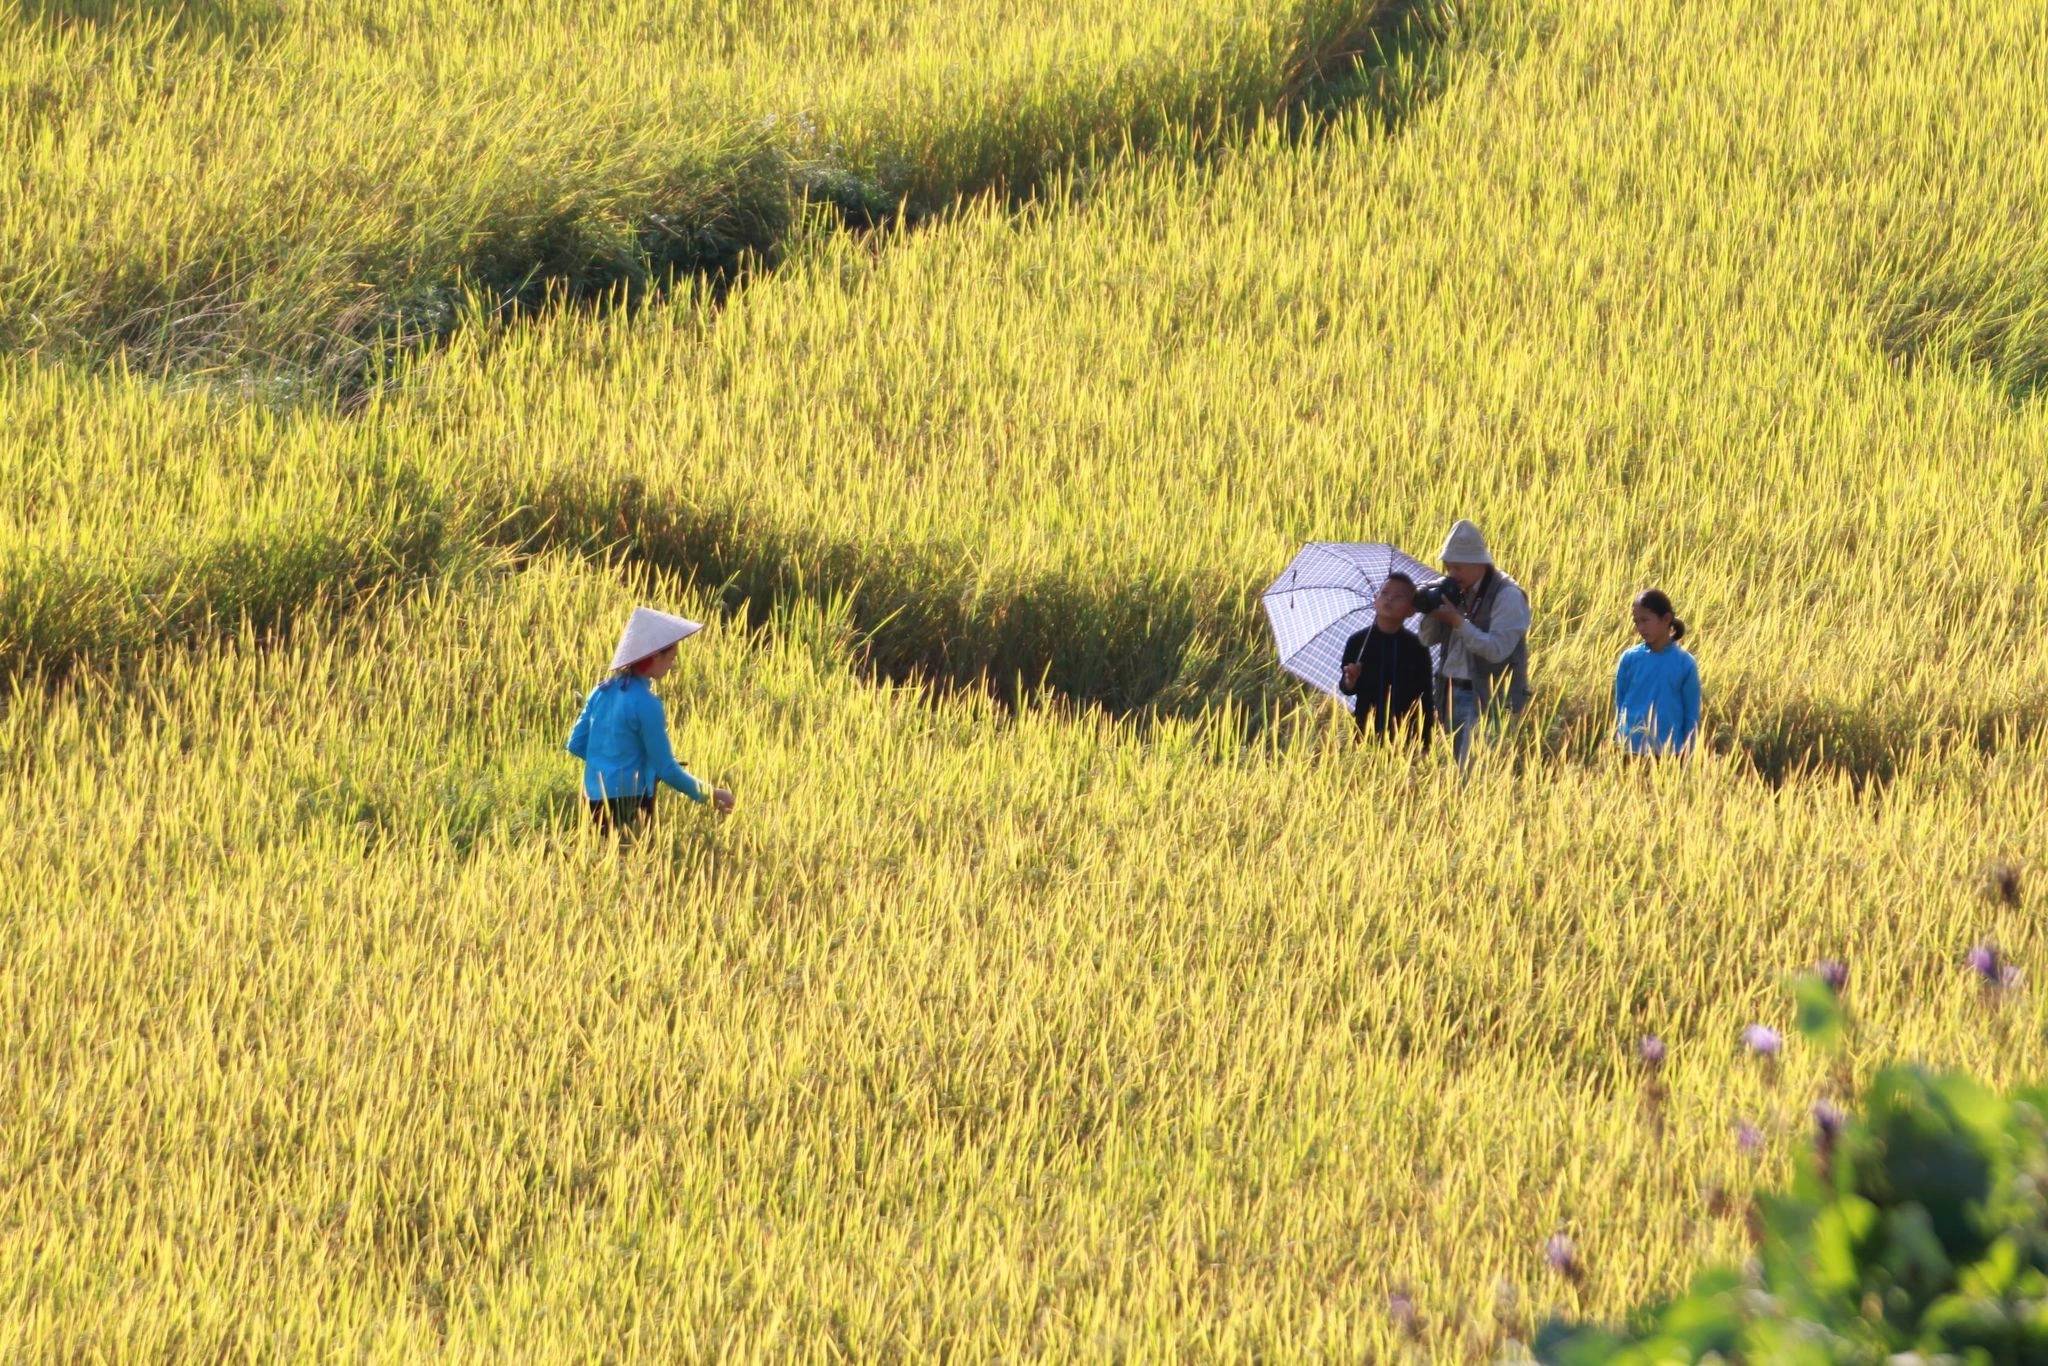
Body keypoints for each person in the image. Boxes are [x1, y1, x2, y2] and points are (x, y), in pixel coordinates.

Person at [567, 606, 736, 832]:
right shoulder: (647, 704)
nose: (672, 664)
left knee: (600, 860)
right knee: (635, 862)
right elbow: (667, 769)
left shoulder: (600, 692)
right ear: (656, 656)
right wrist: (711, 795)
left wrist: (610, 761)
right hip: (630, 802)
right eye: (671, 658)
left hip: (592, 800)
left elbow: (576, 744)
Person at [1416, 519, 1532, 764]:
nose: (1451, 574)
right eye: (1448, 568)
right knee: (1449, 771)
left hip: (1486, 698)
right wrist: (1432, 612)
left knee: (1475, 774)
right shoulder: (1455, 588)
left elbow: (1496, 650)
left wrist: (1459, 622)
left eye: (1457, 568)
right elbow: (1426, 639)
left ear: (1479, 563)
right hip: (1448, 690)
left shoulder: (1507, 595)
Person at [1337, 572, 1435, 749]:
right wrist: (1351, 680)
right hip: (1365, 729)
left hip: (1406, 733)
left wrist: (1425, 740)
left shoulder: (1417, 646)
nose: (1389, 599)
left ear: (1411, 610)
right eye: (1384, 593)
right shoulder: (1358, 641)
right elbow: (1347, 689)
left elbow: (1425, 696)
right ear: (1375, 600)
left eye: (1398, 596)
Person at [1614, 589, 1700, 757]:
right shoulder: (1629, 659)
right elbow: (1620, 704)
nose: (1640, 627)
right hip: (1630, 749)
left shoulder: (1685, 664)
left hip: (1668, 753)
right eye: (1636, 622)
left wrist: (1688, 753)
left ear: (1666, 619)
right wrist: (1618, 741)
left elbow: (1692, 715)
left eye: (1645, 620)